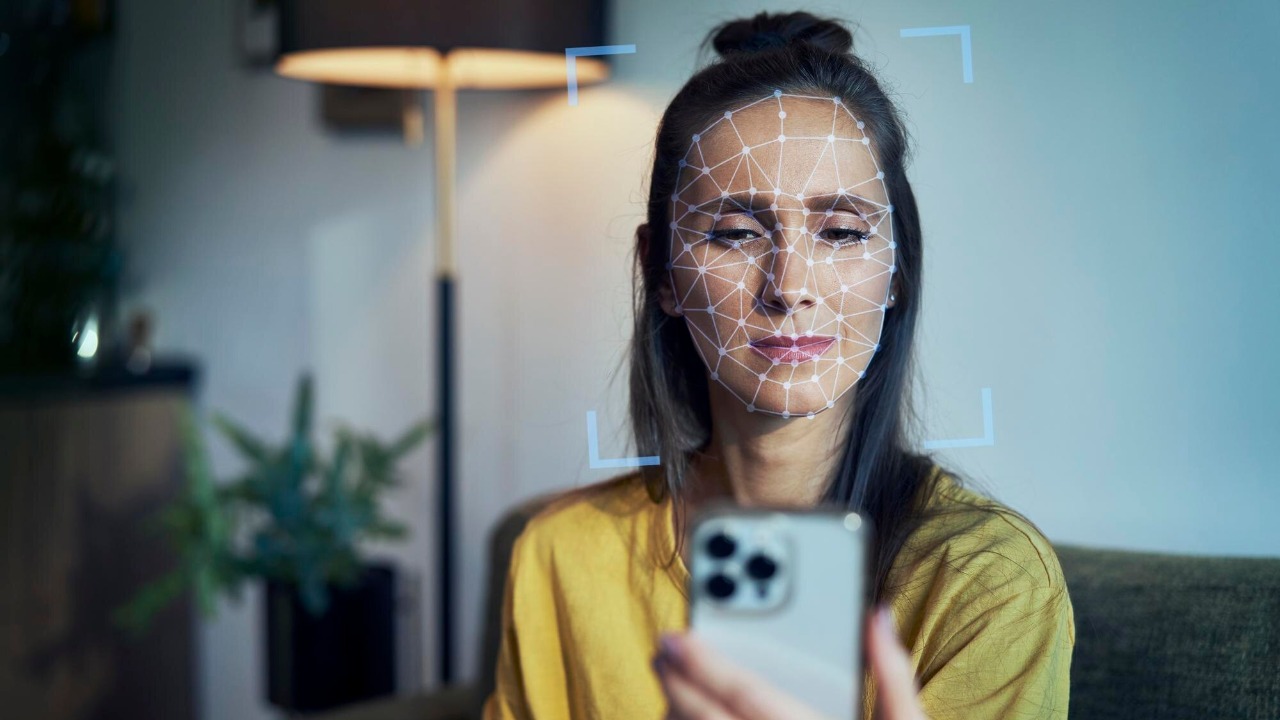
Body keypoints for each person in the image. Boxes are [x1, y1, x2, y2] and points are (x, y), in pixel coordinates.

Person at [483, 10, 1074, 720]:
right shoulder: (562, 556)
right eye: (736, 234)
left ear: (897, 270)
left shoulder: (991, 585)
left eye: (842, 232)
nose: (790, 286)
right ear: (661, 272)